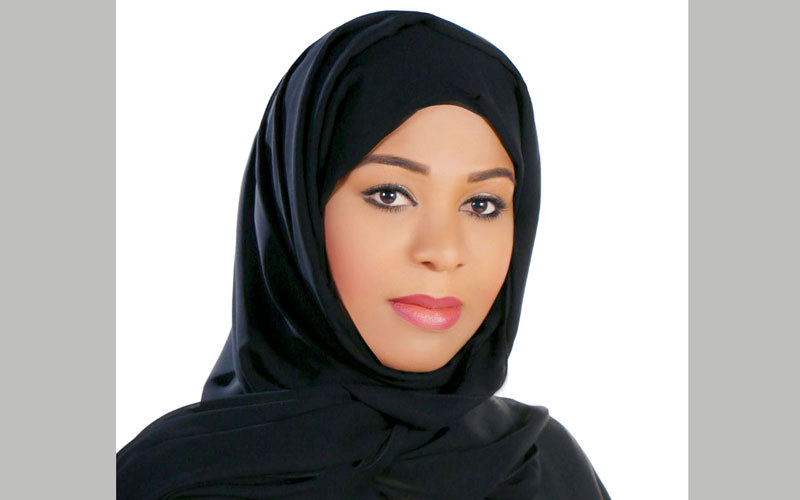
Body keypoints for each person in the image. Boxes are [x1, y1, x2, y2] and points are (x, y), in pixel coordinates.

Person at [117, 10, 611, 499]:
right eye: (390, 195)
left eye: (482, 204)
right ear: (299, 212)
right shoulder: (168, 484)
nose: (442, 251)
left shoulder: (548, 471)